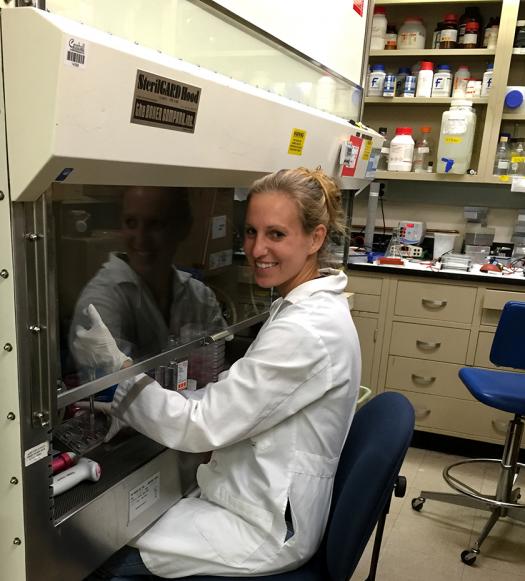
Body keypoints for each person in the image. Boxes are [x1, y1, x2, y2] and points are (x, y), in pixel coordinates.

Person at [80, 167, 361, 579]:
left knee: (101, 561)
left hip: (261, 527)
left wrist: (120, 376)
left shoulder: (306, 330)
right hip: (254, 496)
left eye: (276, 234)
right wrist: (129, 406)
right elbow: (231, 398)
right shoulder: (307, 309)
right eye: (250, 232)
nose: (258, 249)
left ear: (315, 238)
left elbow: (203, 425)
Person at [69, 186, 226, 381]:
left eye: (155, 224)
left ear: (183, 228)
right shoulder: (101, 301)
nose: (141, 238)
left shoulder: (200, 297)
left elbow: (219, 369)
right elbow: (113, 389)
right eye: (131, 223)